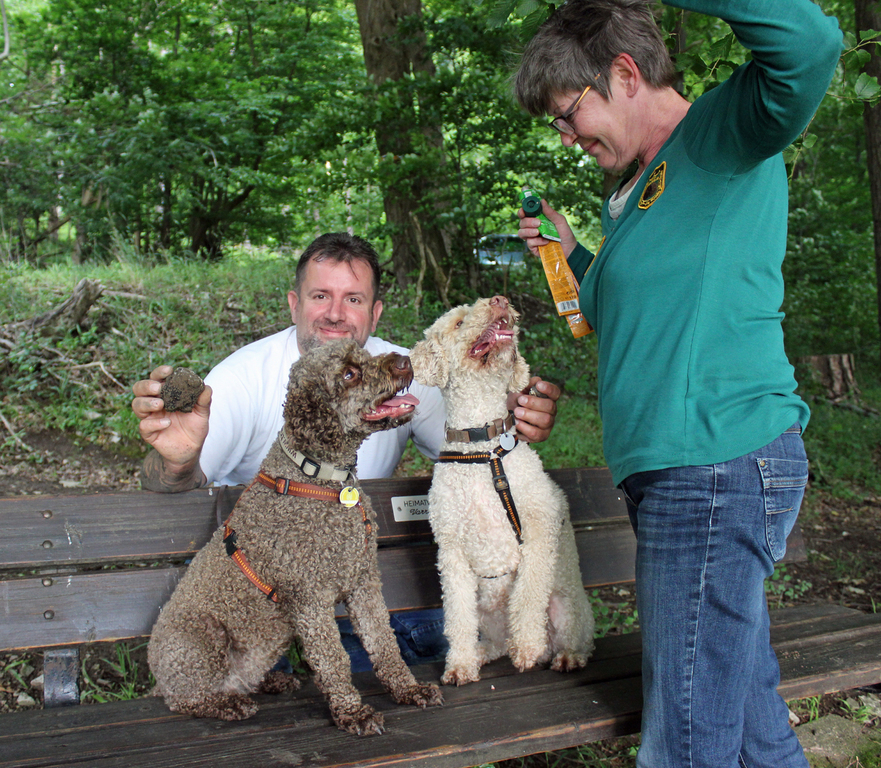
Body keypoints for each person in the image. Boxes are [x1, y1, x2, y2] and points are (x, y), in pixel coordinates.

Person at [513, 2, 841, 767]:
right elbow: (615, 318)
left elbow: (810, 43)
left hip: (715, 462)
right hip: (683, 475)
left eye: (568, 114)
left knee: (685, 743)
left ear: (624, 74)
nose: (566, 138)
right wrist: (572, 252)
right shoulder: (635, 193)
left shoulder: (722, 133)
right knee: (750, 728)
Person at [131, 231, 561, 669]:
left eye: (353, 299)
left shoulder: (401, 372)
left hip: (355, 590)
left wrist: (516, 422)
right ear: (294, 305)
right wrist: (176, 462)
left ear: (375, 314)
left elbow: (477, 449)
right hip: (263, 601)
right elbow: (173, 484)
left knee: (432, 642)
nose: (335, 314)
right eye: (320, 296)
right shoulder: (243, 379)